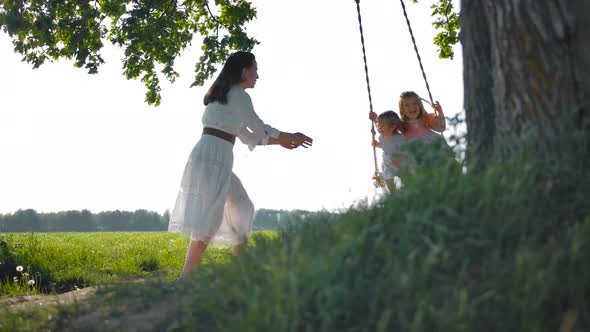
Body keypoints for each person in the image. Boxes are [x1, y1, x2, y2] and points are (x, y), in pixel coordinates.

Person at [168, 51, 313, 278]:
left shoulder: (227, 96)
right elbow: (258, 126)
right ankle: (185, 279)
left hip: (213, 157)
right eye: (255, 69)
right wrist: (288, 135)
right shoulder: (238, 96)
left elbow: (247, 136)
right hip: (212, 159)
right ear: (244, 71)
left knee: (243, 206)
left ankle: (238, 272)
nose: (258, 75)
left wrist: (281, 141)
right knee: (209, 220)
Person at [370, 110, 406, 191]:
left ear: (392, 127)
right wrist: (378, 145)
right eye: (378, 126)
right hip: (387, 162)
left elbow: (405, 149)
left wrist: (401, 158)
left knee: (403, 175)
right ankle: (393, 194)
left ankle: (407, 187)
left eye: (382, 126)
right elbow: (385, 147)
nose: (379, 128)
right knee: (388, 179)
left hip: (398, 162)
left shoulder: (398, 138)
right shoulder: (382, 135)